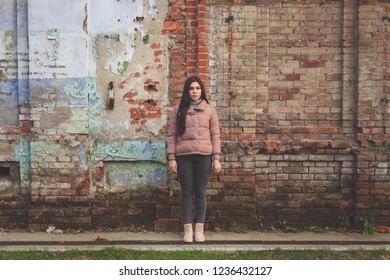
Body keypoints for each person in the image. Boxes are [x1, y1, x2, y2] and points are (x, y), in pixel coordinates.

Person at [167, 76, 222, 243]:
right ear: (187, 91)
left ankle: (199, 229)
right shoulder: (178, 110)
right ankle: (187, 229)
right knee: (186, 193)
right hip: (183, 156)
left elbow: (215, 135)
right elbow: (171, 135)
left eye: (198, 88)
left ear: (201, 90)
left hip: (204, 156)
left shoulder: (210, 110)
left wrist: (216, 158)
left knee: (200, 192)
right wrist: (171, 158)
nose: (195, 91)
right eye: (191, 88)